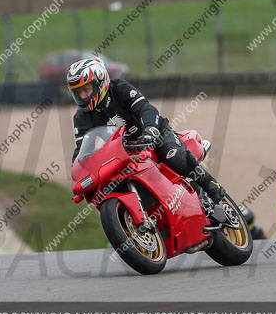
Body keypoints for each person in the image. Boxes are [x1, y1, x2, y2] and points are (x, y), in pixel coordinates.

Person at [67, 56, 228, 223]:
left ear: (100, 81)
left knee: (173, 156)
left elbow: (145, 108)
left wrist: (150, 130)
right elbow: (82, 149)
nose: (83, 96)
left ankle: (215, 192)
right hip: (124, 152)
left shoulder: (119, 88)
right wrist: (78, 173)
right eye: (78, 92)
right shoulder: (81, 118)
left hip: (154, 133)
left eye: (86, 89)